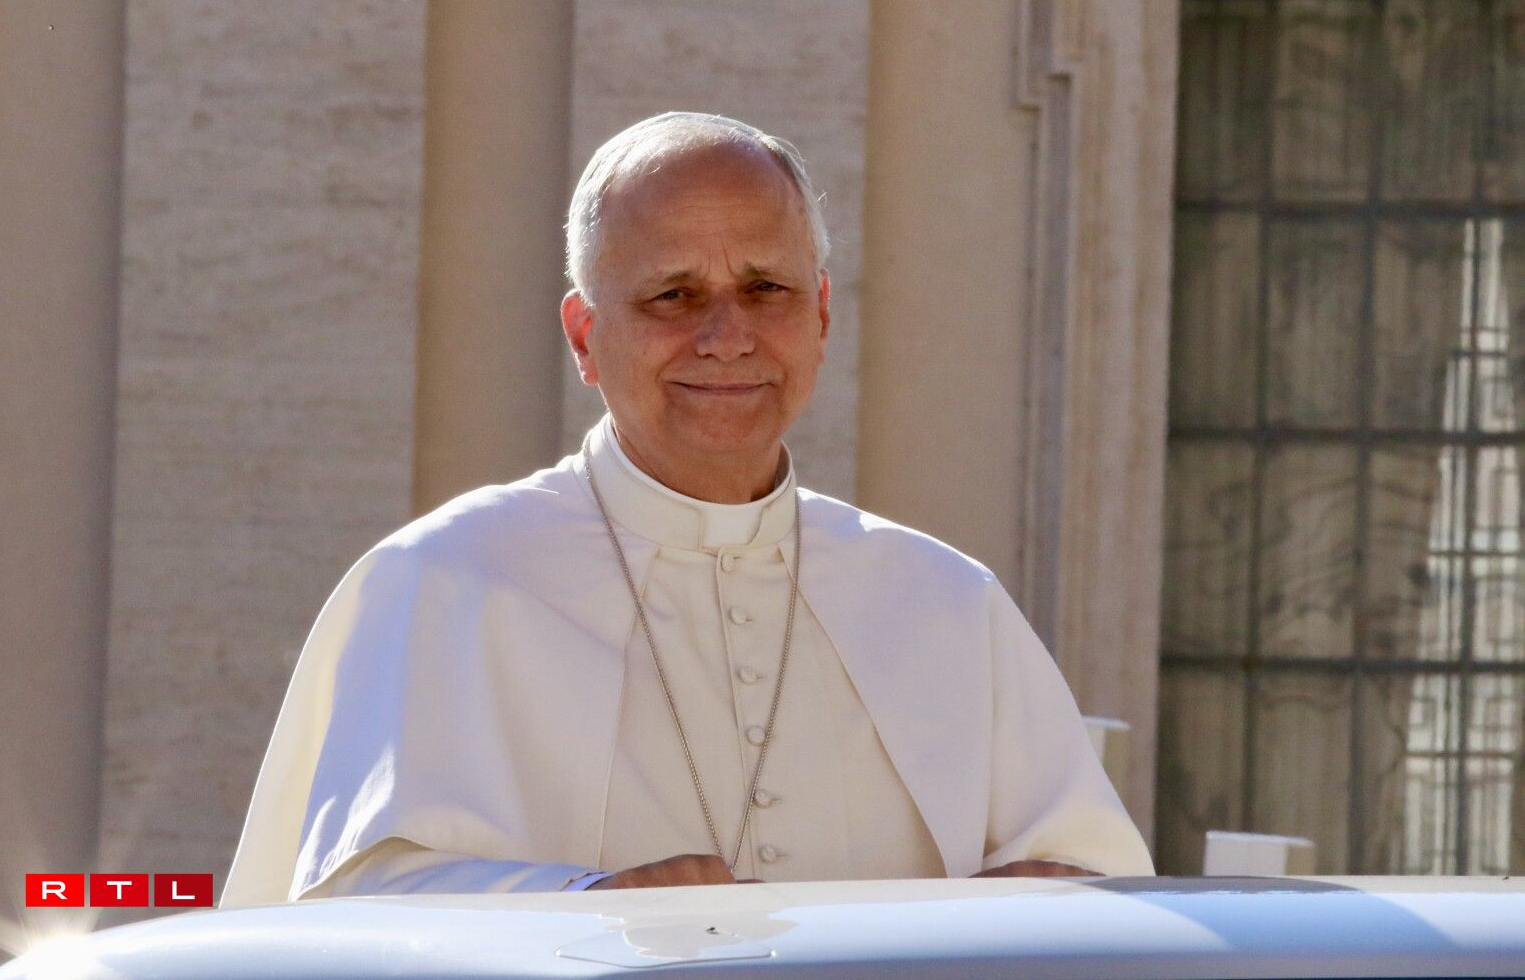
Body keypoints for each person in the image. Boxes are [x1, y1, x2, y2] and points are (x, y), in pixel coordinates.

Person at [219, 112, 1153, 906]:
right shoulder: (447, 580)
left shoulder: (947, 601)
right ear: (586, 336)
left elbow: (1105, 901)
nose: (727, 336)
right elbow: (345, 910)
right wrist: (586, 906)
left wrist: (1051, 902)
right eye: (674, 295)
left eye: (766, 289)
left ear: (821, 318)